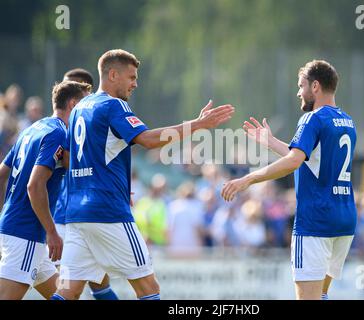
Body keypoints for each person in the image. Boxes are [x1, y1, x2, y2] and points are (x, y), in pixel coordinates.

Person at [51, 49, 234, 300]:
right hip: (108, 211)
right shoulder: (113, 105)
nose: (135, 84)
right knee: (149, 289)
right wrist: (198, 124)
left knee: (67, 292)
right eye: (131, 77)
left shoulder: (81, 107)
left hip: (76, 213)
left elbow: (70, 159)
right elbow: (147, 140)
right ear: (113, 74)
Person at [221, 60, 357, 300]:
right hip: (344, 220)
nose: (298, 92)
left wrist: (248, 179)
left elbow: (295, 161)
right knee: (322, 295)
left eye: (301, 85)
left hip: (316, 221)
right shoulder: (347, 122)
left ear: (315, 86)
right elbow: (309, 160)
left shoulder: (312, 119)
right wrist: (271, 142)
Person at [0, 81, 91, 299]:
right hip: (26, 234)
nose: (89, 111)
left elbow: (2, 174)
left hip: (20, 231)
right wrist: (52, 232)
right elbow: (34, 185)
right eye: (85, 105)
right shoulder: (59, 134)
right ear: (73, 104)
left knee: (67, 295)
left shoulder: (32, 129)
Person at [54, 68, 119, 300]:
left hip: (75, 216)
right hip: (65, 216)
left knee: (86, 286)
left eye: (69, 87)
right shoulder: (58, 128)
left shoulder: (89, 124)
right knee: (89, 286)